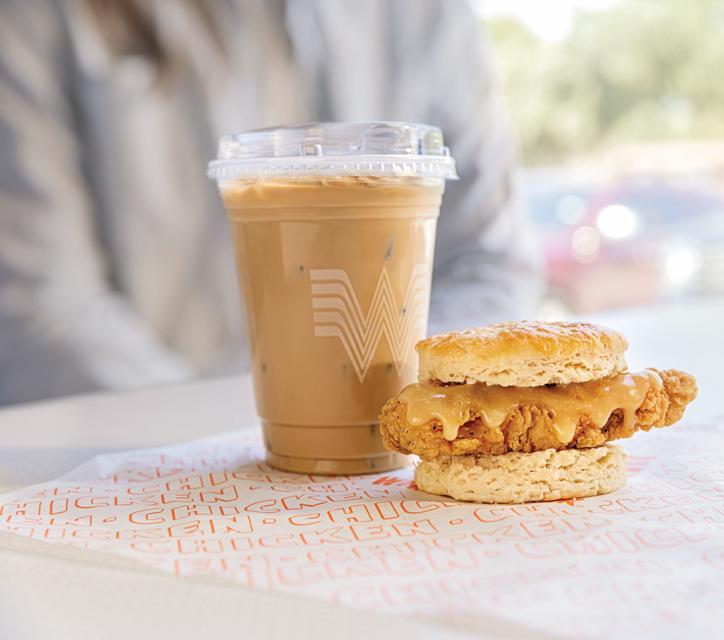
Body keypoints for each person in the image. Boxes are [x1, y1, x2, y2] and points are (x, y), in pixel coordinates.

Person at [0, 0, 543, 405]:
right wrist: (233, 432)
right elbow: (38, 309)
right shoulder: (36, 17)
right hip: (146, 466)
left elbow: (489, 261)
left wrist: (397, 405)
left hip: (392, 465)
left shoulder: (428, 13)